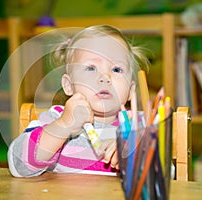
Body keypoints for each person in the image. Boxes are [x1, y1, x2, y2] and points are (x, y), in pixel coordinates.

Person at [8, 25, 150, 177]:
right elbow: (18, 165)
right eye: (91, 68)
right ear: (68, 85)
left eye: (116, 69)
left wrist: (134, 153)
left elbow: (164, 175)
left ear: (130, 90)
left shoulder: (140, 124)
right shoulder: (55, 119)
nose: (105, 77)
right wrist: (63, 126)